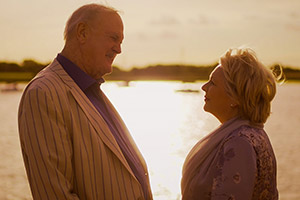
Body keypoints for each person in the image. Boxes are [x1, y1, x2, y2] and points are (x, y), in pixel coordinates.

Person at [18, 3, 152, 200]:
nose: (119, 49)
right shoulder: (44, 92)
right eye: (114, 38)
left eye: (121, 41)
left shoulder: (90, 90)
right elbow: (55, 195)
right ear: (82, 33)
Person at [181, 48, 278, 200]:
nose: (204, 87)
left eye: (212, 83)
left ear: (235, 98)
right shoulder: (251, 134)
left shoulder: (239, 143)